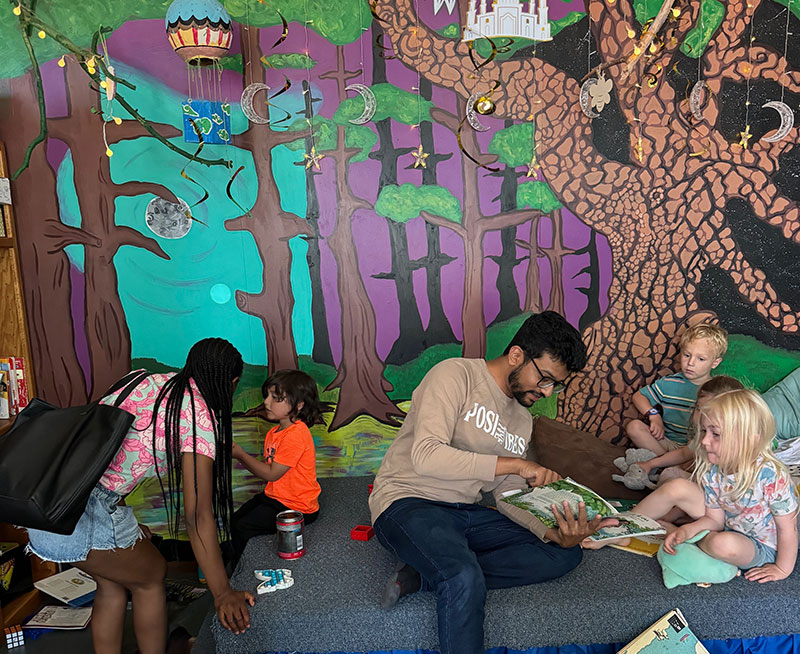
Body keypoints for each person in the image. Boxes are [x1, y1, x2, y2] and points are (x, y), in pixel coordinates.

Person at [369, 311, 613, 654]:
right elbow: (426, 456)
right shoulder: (454, 375)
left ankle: (423, 575)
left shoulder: (522, 419)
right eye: (544, 378)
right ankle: (449, 573)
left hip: (465, 512)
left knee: (564, 555)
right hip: (408, 502)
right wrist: (515, 463)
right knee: (463, 576)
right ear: (516, 355)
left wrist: (553, 533)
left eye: (556, 384)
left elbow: (506, 493)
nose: (547, 391)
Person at [26, 338, 254, 654]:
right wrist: (222, 593)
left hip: (49, 496)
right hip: (78, 511)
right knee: (151, 575)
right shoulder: (200, 421)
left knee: (112, 582)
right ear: (232, 383)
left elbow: (101, 448)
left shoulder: (147, 379)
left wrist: (123, 531)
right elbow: (197, 516)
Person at [594, 390, 799, 583]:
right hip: (727, 524)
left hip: (759, 545)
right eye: (703, 431)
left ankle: (671, 531)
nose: (705, 441)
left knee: (722, 544)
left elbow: (787, 528)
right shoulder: (712, 467)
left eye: (715, 434)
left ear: (748, 440)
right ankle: (622, 527)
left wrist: (782, 568)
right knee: (677, 487)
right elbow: (714, 519)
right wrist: (688, 531)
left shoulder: (771, 475)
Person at [230, 369, 326, 565]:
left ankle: (241, 571)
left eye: (276, 398)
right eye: (267, 396)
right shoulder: (274, 433)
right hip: (275, 497)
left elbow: (272, 474)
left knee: (241, 527)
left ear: (299, 405)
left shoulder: (296, 434)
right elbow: (270, 475)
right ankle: (233, 565)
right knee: (235, 521)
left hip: (297, 506)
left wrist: (239, 454)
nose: (266, 402)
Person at [626, 323, 728, 455]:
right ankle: (667, 466)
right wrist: (654, 415)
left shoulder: (716, 390)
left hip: (696, 447)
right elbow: (638, 397)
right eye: (687, 355)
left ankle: (665, 466)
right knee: (634, 427)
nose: (690, 363)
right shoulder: (670, 382)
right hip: (666, 442)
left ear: (715, 363)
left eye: (700, 359)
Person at [638, 376, 744, 484]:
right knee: (670, 476)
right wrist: (651, 464)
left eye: (708, 411)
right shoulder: (703, 436)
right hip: (705, 486)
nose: (704, 441)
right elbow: (683, 454)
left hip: (718, 492)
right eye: (698, 408)